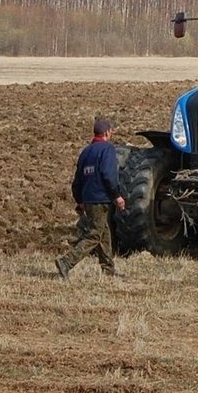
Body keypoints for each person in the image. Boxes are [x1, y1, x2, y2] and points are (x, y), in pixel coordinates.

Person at [55, 118, 126, 279]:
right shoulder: (107, 149)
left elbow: (77, 180)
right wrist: (117, 196)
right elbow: (109, 175)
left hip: (88, 199)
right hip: (100, 198)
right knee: (94, 235)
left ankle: (108, 270)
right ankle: (66, 262)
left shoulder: (86, 152)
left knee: (104, 233)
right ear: (107, 132)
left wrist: (79, 200)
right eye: (111, 130)